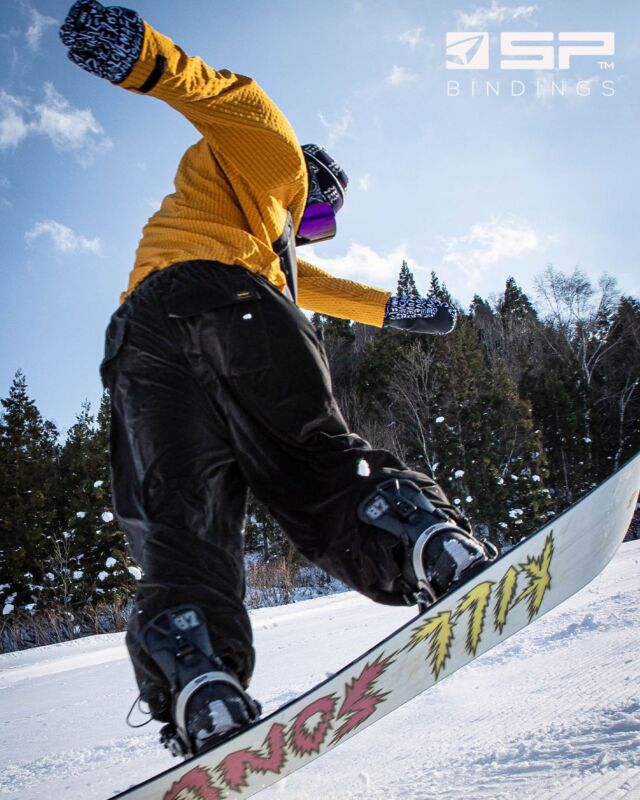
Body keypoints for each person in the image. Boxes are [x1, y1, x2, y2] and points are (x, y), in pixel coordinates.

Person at [59, 1, 496, 758]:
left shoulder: (248, 234)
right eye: (317, 218)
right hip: (228, 304)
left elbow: (313, 286)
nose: (305, 229)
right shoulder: (277, 161)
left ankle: (199, 677)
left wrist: (397, 309)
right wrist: (145, 58)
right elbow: (223, 96)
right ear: (314, 183)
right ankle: (422, 538)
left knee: (179, 521)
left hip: (140, 338)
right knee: (309, 459)